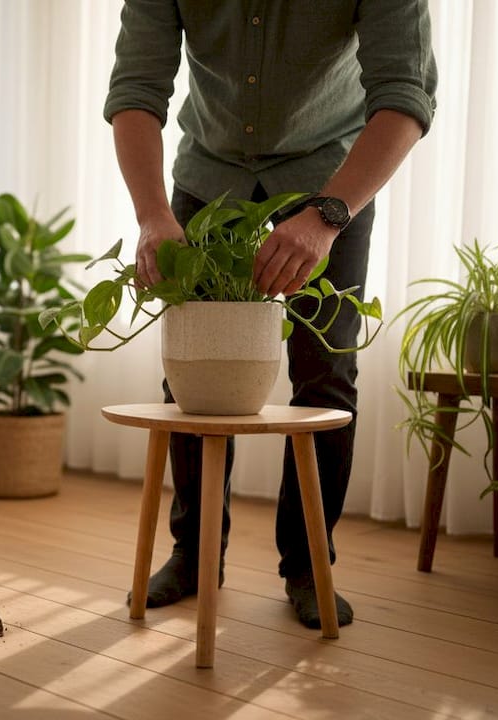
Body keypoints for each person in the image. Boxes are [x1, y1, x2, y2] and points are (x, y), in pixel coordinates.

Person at [104, 1, 438, 629]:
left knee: (326, 373)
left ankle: (310, 565)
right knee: (196, 379)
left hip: (331, 182)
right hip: (208, 176)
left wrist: (327, 217)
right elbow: (136, 90)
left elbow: (405, 94)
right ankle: (195, 552)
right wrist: (152, 216)